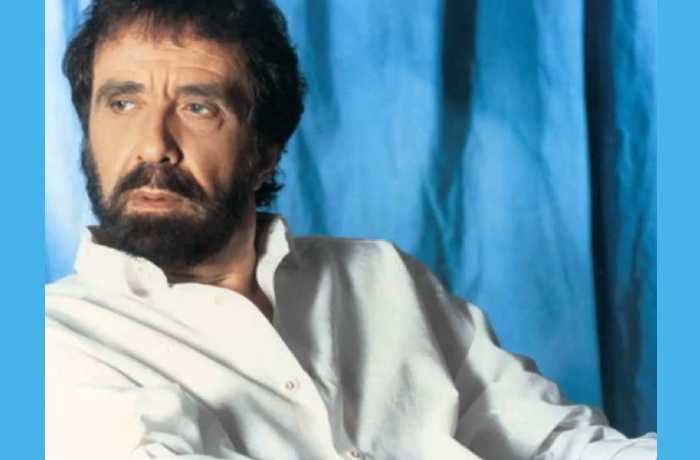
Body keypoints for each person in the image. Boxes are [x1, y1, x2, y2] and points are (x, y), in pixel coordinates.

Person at [45, 1, 657, 459]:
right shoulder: (46, 345)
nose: (153, 144)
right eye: (121, 103)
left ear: (265, 152)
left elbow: (556, 444)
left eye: (197, 107)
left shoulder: (382, 277)